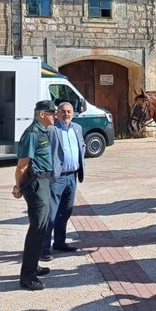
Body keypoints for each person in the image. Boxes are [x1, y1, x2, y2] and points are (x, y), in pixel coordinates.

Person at [13, 100, 57, 290]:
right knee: (37, 228)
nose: (54, 115)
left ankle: (34, 266)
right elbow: (22, 166)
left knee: (43, 224)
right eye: (51, 113)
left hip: (44, 181)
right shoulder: (32, 133)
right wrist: (18, 187)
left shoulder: (43, 131)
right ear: (41, 114)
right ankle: (27, 276)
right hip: (36, 183)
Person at [40, 102, 86, 262]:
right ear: (57, 113)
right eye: (63, 111)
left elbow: (82, 147)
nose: (66, 114)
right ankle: (43, 248)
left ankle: (59, 242)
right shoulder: (52, 129)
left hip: (72, 176)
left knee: (65, 212)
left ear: (73, 113)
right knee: (51, 214)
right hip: (56, 178)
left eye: (69, 111)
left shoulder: (77, 128)